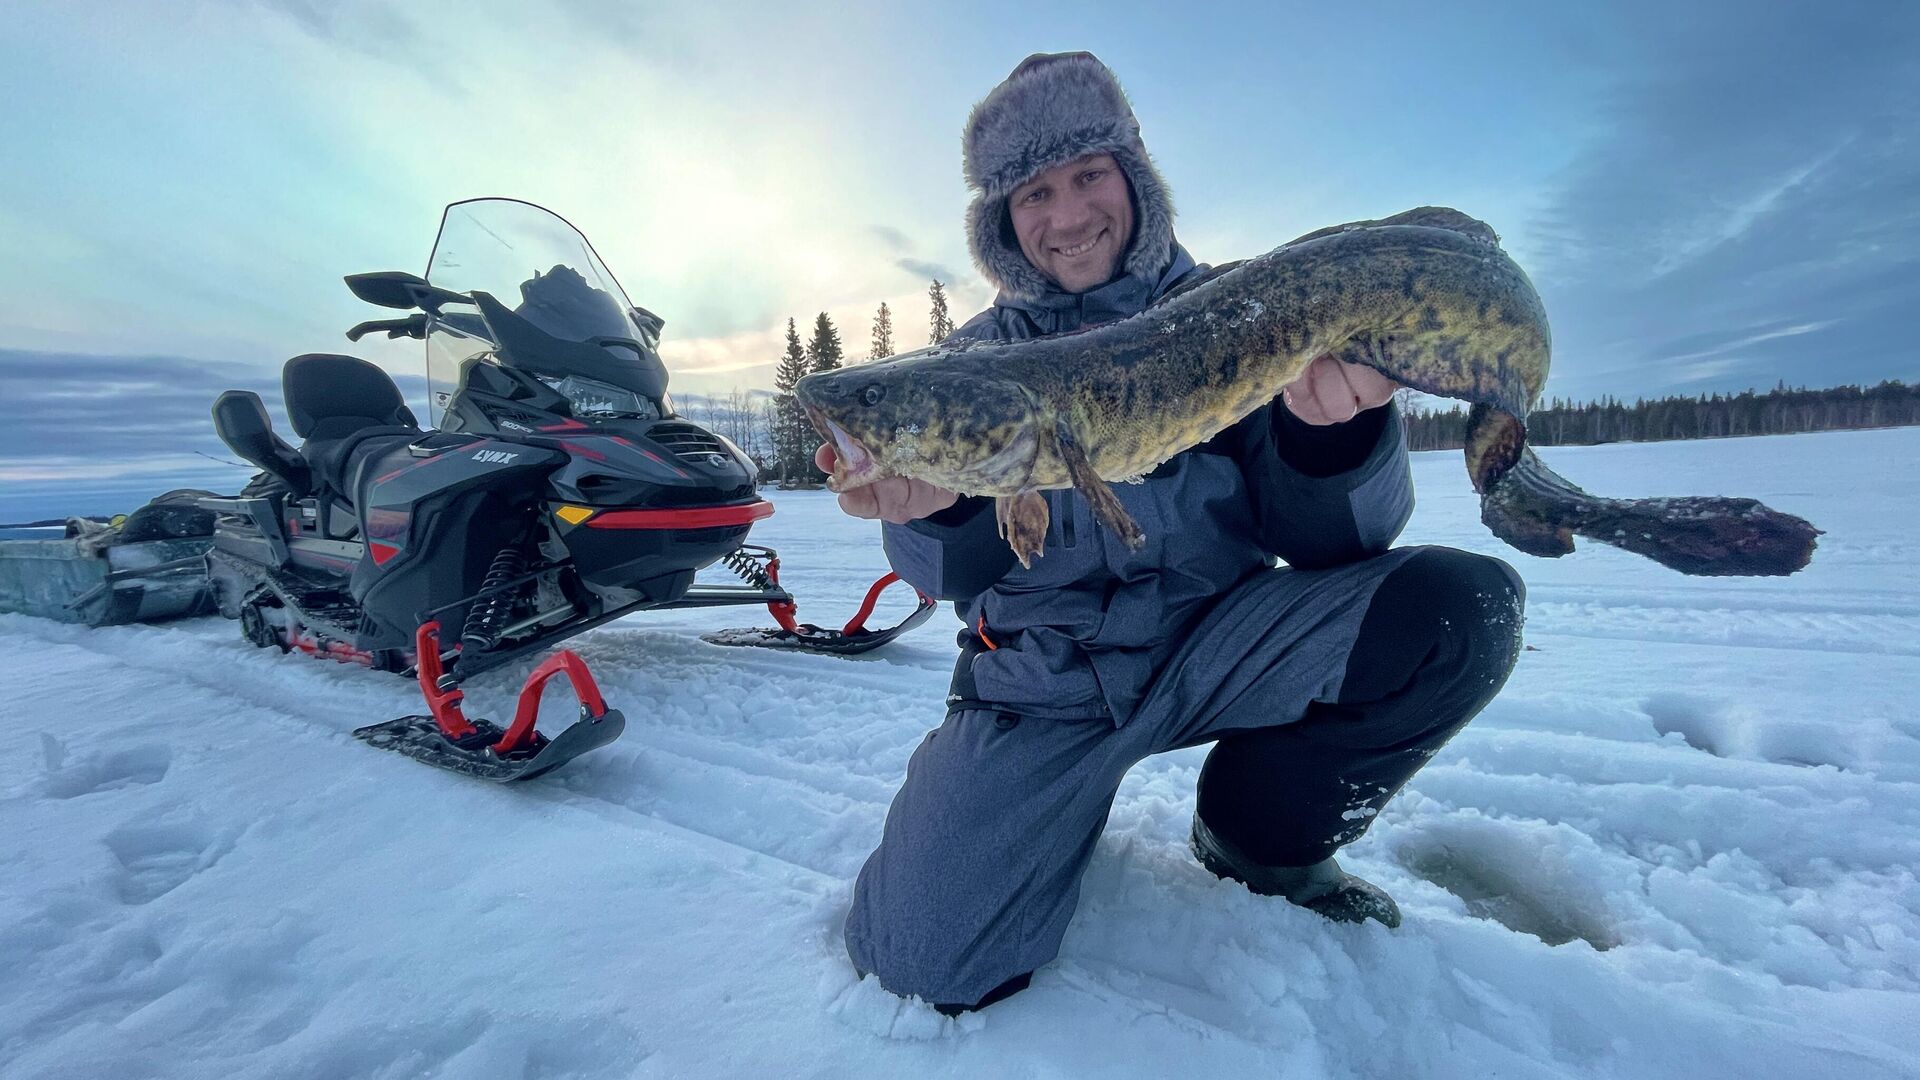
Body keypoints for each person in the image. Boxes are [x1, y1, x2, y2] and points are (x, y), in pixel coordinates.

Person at [817, 52, 1525, 1015]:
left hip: (1217, 640)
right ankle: (1035, 813)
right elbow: (955, 567)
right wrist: (935, 507)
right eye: (1034, 193)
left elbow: (1332, 543)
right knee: (922, 962)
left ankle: (1255, 837)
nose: (1067, 216)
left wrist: (1338, 433)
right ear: (1001, 221)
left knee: (1455, 612)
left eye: (1088, 176)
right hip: (1047, 680)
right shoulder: (970, 366)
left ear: (1133, 179)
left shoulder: (1246, 312)